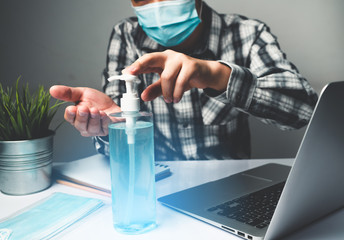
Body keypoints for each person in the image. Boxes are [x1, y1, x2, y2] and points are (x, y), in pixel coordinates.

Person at [50, 0, 318, 161]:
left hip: (232, 188)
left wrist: (218, 76)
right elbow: (119, 149)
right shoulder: (126, 36)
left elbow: (304, 110)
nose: (155, 7)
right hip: (158, 185)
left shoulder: (248, 34)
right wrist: (112, 128)